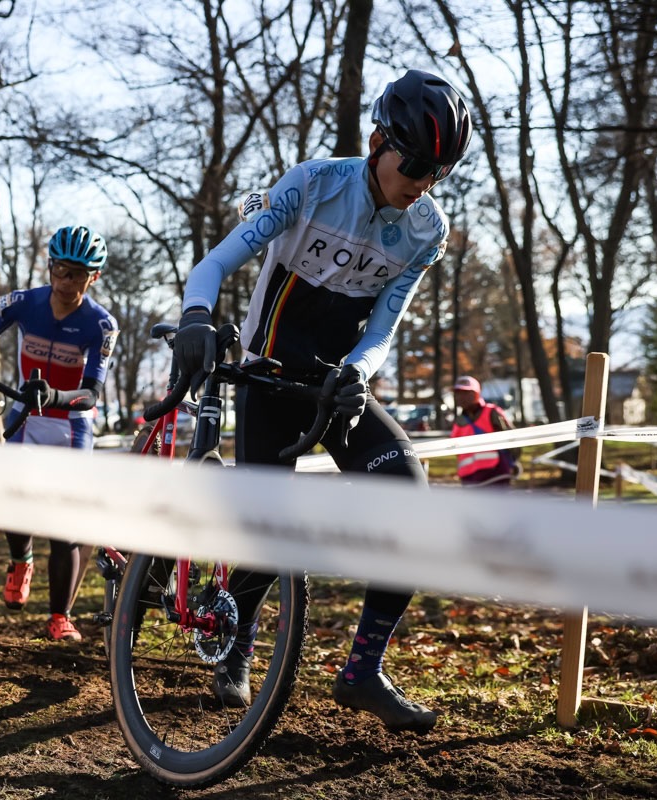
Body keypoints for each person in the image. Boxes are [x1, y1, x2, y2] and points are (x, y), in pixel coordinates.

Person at [173, 69, 473, 733]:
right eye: (417, 163)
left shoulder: (426, 227)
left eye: (440, 170)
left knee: (410, 496)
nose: (423, 182)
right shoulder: (311, 184)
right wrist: (197, 312)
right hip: (267, 376)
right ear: (378, 140)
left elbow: (382, 329)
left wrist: (359, 371)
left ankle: (362, 669)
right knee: (266, 527)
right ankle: (238, 646)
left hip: (335, 387)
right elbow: (216, 264)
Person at [0, 225, 119, 641]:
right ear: (49, 266)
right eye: (61, 271)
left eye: (78, 275)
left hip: (70, 424)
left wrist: (57, 394)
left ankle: (59, 616)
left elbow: (91, 394)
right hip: (24, 415)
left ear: (93, 278)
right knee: (14, 502)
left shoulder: (101, 325)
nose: (66, 283)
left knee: (64, 528)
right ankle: (20, 560)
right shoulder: (23, 303)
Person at [451, 376, 519, 487]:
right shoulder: (458, 421)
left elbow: (512, 439)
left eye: (465, 392)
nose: (460, 397)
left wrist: (513, 462)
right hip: (469, 479)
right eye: (457, 393)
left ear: (476, 394)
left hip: (496, 475)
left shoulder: (492, 412)